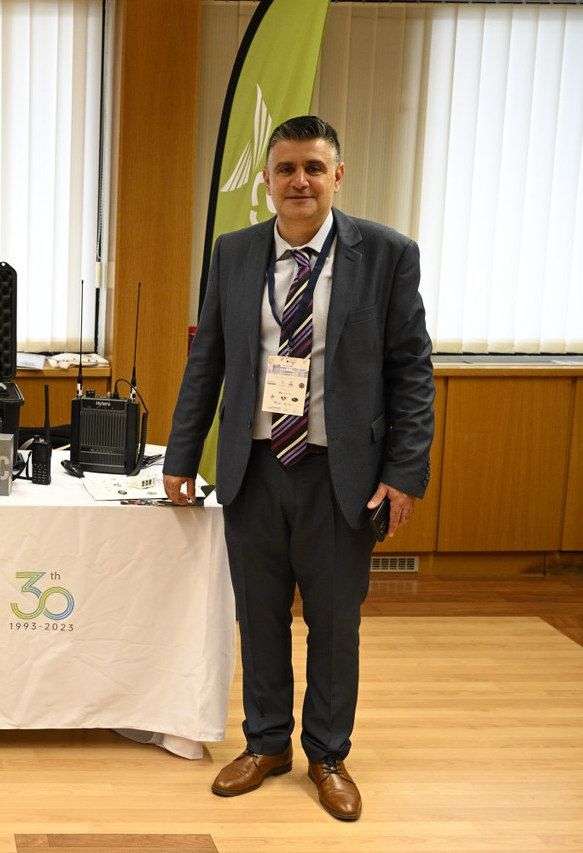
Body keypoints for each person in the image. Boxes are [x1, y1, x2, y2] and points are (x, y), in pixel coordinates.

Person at [163, 116, 434, 821]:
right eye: (286, 168)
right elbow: (207, 360)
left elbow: (412, 370)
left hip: (341, 474)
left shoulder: (387, 254)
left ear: (337, 176)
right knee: (259, 617)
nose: (300, 181)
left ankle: (328, 754)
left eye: (314, 167)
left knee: (334, 624)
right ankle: (266, 743)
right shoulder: (234, 252)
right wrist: (181, 455)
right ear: (267, 180)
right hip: (253, 467)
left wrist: (405, 472)